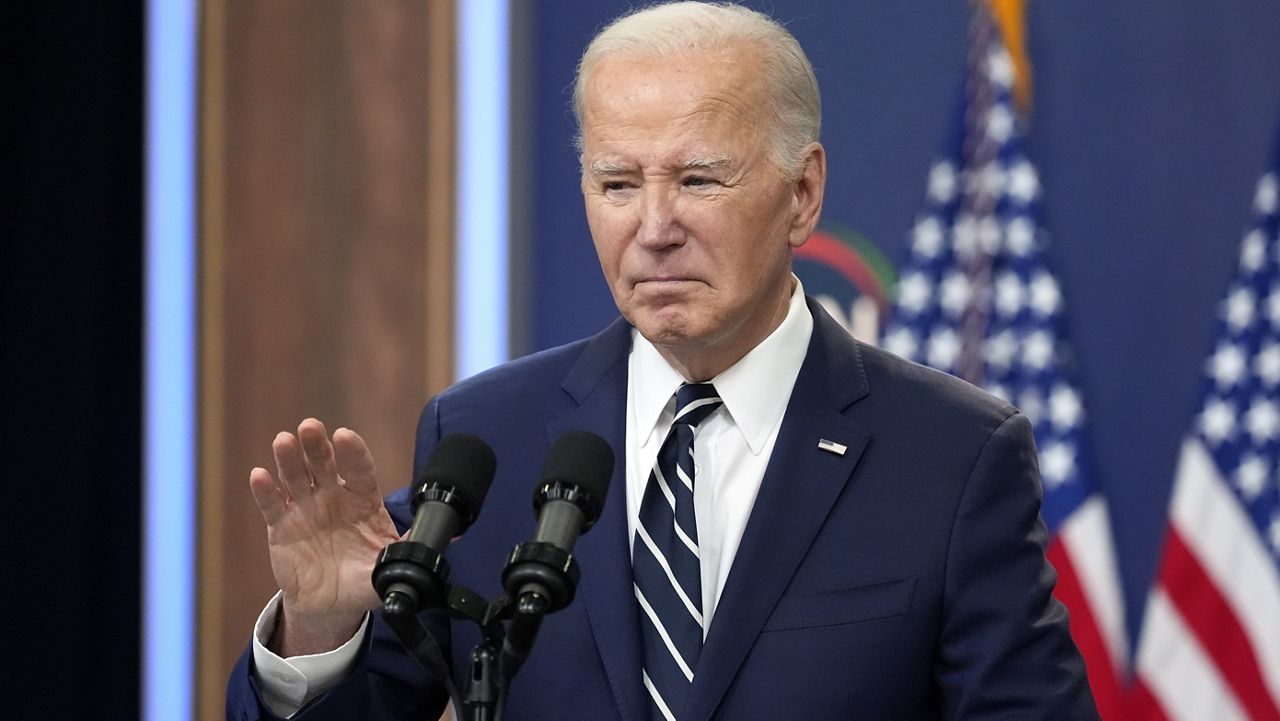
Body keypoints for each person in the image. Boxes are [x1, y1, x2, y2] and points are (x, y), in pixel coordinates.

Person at [227, 3, 1099, 720]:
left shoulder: (950, 458)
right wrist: (319, 629)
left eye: (697, 180)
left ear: (803, 193)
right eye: (617, 184)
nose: (652, 228)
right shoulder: (484, 438)